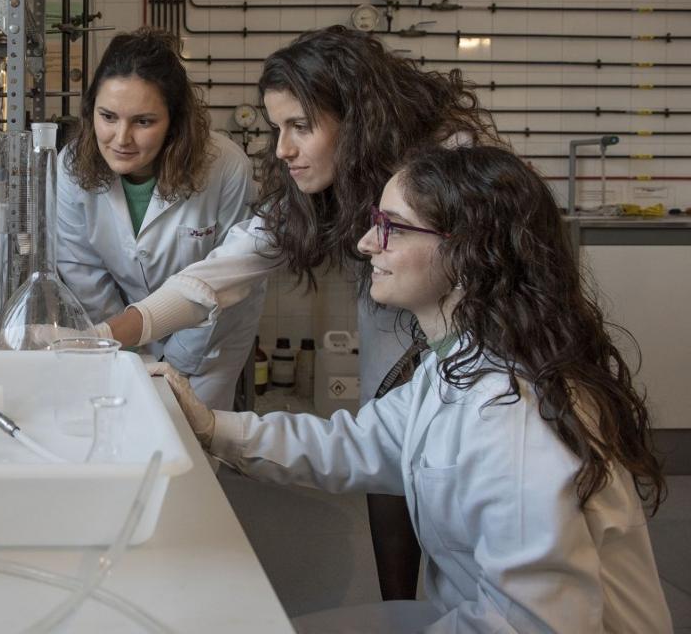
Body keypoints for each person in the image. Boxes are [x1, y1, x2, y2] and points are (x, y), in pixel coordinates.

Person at [153, 145, 672, 632]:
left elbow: (534, 624)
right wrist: (212, 426)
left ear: (470, 254)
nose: (364, 243)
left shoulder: (514, 418)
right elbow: (354, 443)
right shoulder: (454, 364)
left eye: (391, 227)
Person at [104, 25, 498, 599]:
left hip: (477, 331)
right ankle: (403, 609)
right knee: (390, 457)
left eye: (299, 127)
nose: (282, 148)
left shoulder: (450, 167)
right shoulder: (326, 181)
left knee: (460, 478)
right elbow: (225, 268)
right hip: (404, 316)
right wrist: (105, 333)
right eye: (277, 128)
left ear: (357, 122)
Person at [56, 28, 264, 410]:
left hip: (210, 337)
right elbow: (80, 267)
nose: (121, 138)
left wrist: (175, 360)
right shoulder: (71, 166)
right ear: (90, 111)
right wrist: (120, 341)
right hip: (119, 329)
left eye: (144, 122)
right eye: (108, 116)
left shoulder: (226, 167)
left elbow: (223, 281)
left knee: (193, 440)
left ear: (174, 121)